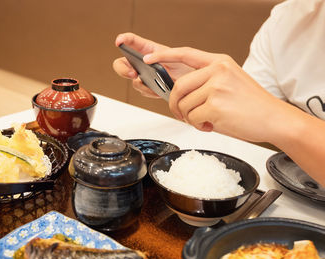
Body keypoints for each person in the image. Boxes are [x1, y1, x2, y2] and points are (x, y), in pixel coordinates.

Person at [112, 0, 325, 187]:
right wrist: (198, 85)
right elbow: (248, 115)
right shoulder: (289, 19)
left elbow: (269, 114)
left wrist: (279, 118)